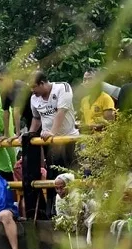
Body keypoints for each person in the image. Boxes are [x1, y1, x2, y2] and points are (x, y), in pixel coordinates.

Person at [28, 71, 80, 217]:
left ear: (43, 83)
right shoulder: (34, 99)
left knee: (69, 174)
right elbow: (36, 119)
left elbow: (61, 112)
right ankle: (54, 212)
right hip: (49, 143)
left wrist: (53, 133)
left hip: (67, 139)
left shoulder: (62, 88)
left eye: (34, 87)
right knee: (53, 176)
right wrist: (28, 135)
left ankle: (75, 210)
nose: (32, 91)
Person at [0, 65, 34, 139]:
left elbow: (16, 111)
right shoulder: (3, 91)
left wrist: (17, 133)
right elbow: (5, 112)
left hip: (38, 116)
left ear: (9, 77)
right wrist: (6, 135)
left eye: (1, 80)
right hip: (27, 117)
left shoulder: (19, 87)